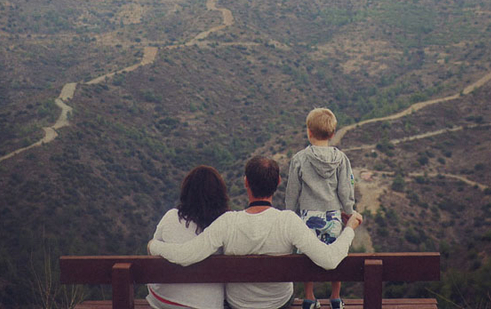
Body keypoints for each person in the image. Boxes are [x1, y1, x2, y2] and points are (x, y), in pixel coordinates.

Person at [149, 156, 363, 309]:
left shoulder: (228, 222)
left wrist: (154, 246)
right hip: (279, 303)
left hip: (238, 305)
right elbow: (329, 259)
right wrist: (349, 228)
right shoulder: (288, 221)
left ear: (246, 182)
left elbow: (186, 255)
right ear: (278, 182)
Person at [285, 107, 355, 309]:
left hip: (308, 217)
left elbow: (292, 192)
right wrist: (349, 211)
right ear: (332, 134)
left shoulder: (299, 159)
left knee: (308, 256)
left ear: (309, 131)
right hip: (333, 216)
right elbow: (345, 190)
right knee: (336, 254)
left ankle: (309, 297)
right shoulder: (341, 159)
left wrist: (290, 213)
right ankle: (335, 297)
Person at [146, 165, 230, 309]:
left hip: (168, 301)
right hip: (210, 304)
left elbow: (153, 258)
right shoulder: (226, 224)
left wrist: (152, 245)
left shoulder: (171, 217)